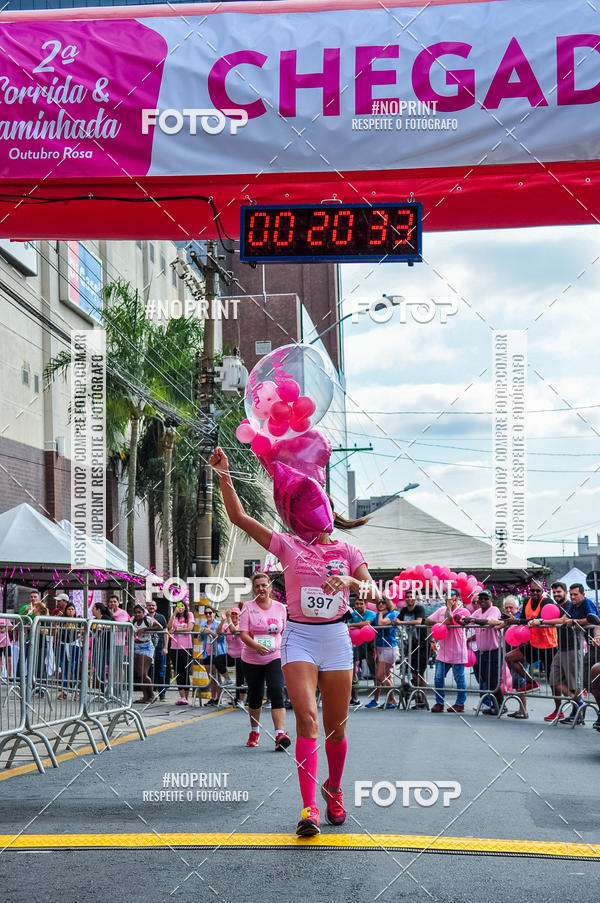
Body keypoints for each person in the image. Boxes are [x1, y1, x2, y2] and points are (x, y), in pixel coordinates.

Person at [209, 445, 380, 837]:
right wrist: (224, 474)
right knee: (307, 719)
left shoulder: (348, 549)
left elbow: (375, 595)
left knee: (337, 729)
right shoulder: (288, 544)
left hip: (336, 637)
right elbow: (238, 517)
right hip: (299, 637)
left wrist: (353, 582)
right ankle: (308, 809)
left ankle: (333, 790)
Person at [532, 582, 599, 724]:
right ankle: (579, 704)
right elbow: (566, 620)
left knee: (583, 683)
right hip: (563, 647)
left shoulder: (584, 603)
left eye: (576, 594)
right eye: (572, 594)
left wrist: (574, 622)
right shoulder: (573, 606)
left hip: (577, 647)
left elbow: (593, 620)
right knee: (554, 680)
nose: (573, 597)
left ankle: (579, 712)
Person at [238, 572, 289, 749]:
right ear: (253, 589)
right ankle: (255, 731)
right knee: (256, 695)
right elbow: (243, 634)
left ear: (270, 587)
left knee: (276, 691)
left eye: (264, 585)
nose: (261, 588)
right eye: (257, 586)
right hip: (251, 658)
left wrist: (281, 647)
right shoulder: (247, 607)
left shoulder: (280, 608)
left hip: (274, 656)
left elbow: (284, 631)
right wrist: (256, 646)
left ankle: (279, 734)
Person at [503, 583, 557, 719]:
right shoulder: (526, 600)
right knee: (509, 657)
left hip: (549, 645)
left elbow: (536, 619)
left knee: (553, 681)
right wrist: (506, 621)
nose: (534, 592)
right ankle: (531, 681)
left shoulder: (547, 601)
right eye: (532, 590)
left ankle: (558, 710)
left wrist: (518, 620)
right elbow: (520, 616)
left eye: (537, 590)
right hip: (533, 643)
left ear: (542, 590)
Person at [425, 590, 469, 713]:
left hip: (458, 652)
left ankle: (460, 704)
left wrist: (449, 608)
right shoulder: (440, 610)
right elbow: (427, 621)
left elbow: (450, 620)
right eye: (447, 596)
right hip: (443, 652)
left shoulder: (463, 611)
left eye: (452, 595)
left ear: (457, 597)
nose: (449, 598)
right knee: (438, 677)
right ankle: (439, 703)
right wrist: (439, 623)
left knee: (459, 679)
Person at [466, 591, 503, 714]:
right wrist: (460, 620)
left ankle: (501, 706)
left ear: (490, 599)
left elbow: (488, 621)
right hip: (482, 652)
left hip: (495, 650)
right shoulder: (477, 612)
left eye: (485, 598)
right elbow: (468, 624)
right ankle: (495, 705)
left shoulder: (494, 609)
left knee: (493, 681)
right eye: (479, 599)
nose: (482, 600)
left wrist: (471, 619)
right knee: (485, 679)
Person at [396, 592, 428, 708]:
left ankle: (422, 698)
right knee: (411, 673)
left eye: (411, 597)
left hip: (422, 645)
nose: (409, 599)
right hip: (411, 645)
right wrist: (395, 621)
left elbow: (418, 621)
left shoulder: (419, 609)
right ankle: (417, 696)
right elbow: (396, 620)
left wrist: (402, 623)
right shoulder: (404, 610)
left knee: (419, 673)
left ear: (416, 598)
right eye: (407, 597)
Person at [366, 598, 399, 709]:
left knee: (380, 675)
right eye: (378, 603)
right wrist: (374, 646)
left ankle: (393, 699)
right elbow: (376, 631)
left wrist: (380, 613)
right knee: (387, 675)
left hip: (389, 647)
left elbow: (380, 624)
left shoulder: (392, 614)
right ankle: (391, 700)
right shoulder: (377, 615)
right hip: (380, 647)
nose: (380, 604)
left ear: (387, 604)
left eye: (383, 602)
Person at [131, 604, 163, 704]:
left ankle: (152, 695)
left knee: (143, 673)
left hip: (146, 647)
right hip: (135, 646)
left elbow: (160, 627)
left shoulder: (148, 619)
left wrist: (145, 629)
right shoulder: (132, 620)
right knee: (139, 674)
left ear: (143, 613)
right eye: (135, 612)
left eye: (139, 612)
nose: (137, 614)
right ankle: (145, 696)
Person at [348, 597, 376, 705]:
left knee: (374, 673)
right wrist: (350, 625)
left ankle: (376, 699)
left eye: (361, 603)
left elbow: (367, 623)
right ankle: (355, 698)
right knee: (352, 672)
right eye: (357, 604)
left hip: (369, 646)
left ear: (365, 604)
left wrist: (351, 625)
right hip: (355, 646)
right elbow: (346, 623)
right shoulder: (353, 614)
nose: (358, 606)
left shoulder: (371, 613)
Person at [199, 605, 228, 706]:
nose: (208, 615)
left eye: (210, 613)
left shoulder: (218, 624)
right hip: (206, 652)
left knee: (216, 676)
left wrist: (211, 632)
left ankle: (218, 698)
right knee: (210, 676)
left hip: (217, 652)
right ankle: (213, 697)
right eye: (206, 613)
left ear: (214, 613)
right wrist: (202, 633)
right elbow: (200, 639)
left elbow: (221, 638)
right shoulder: (203, 624)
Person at [168, 599, 195, 706]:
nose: (180, 608)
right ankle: (182, 697)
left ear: (185, 606)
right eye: (178, 606)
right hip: (175, 647)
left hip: (186, 647)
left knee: (185, 671)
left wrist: (176, 630)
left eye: (182, 606)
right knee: (177, 671)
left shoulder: (189, 615)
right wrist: (174, 613)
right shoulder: (175, 616)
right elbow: (169, 626)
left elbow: (189, 628)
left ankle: (186, 697)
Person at [218, 607, 247, 707]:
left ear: (239, 616)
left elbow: (234, 631)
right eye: (232, 614)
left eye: (236, 614)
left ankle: (241, 700)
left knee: (240, 678)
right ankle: (227, 679)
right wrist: (223, 620)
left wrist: (229, 618)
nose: (234, 616)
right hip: (231, 655)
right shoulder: (227, 624)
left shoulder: (242, 625)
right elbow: (219, 632)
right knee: (218, 660)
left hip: (242, 655)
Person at [57, 601, 82, 699]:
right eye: (69, 609)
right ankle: (64, 690)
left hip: (74, 645)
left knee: (75, 667)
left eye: (72, 609)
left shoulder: (78, 620)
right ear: (66, 610)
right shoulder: (63, 620)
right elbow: (54, 624)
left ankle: (76, 690)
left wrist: (80, 633)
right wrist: (58, 616)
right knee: (64, 667)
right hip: (64, 644)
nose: (71, 611)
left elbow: (82, 631)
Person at [146, 598, 169, 700]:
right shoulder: (144, 618)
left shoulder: (161, 617)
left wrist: (165, 647)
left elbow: (165, 633)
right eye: (149, 605)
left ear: (156, 607)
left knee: (160, 671)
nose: (151, 607)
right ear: (146, 607)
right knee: (148, 671)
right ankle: (149, 694)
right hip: (146, 648)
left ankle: (162, 694)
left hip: (159, 648)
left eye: (153, 605)